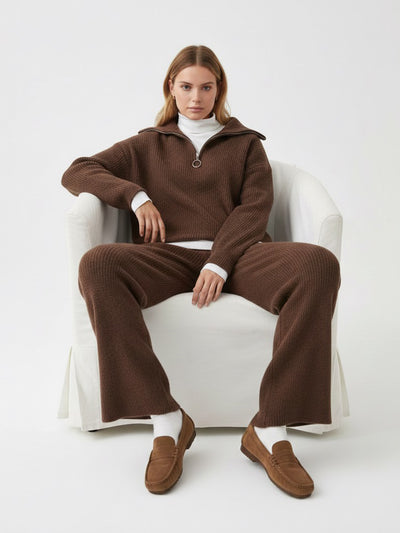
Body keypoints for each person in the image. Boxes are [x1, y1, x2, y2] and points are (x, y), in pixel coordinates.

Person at [61, 44, 340, 498]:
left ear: (219, 90)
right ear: (171, 88)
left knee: (318, 265)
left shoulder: (245, 144)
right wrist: (135, 196)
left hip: (240, 256)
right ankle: (167, 421)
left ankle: (270, 429)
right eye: (187, 86)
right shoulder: (146, 145)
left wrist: (219, 261)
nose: (196, 97)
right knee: (99, 263)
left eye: (206, 87)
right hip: (167, 257)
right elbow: (77, 171)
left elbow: (254, 209)